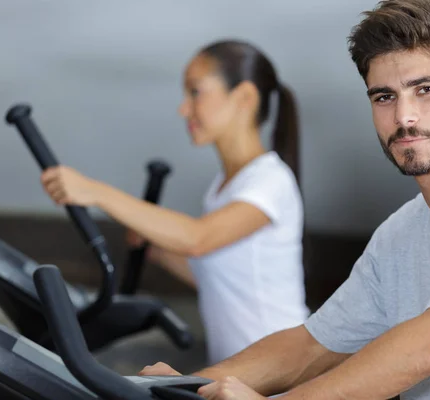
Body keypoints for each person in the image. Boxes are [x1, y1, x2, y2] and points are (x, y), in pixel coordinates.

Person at [139, 0, 430, 399]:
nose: (404, 116)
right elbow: (310, 346)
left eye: (426, 89)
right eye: (385, 97)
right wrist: (187, 387)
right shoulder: (399, 234)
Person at [40, 39, 310, 365]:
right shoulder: (222, 187)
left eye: (195, 92)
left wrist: (94, 191)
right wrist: (159, 250)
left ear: (244, 97)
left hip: (284, 371)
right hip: (240, 370)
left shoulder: (270, 181)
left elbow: (198, 239)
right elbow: (218, 275)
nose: (184, 109)